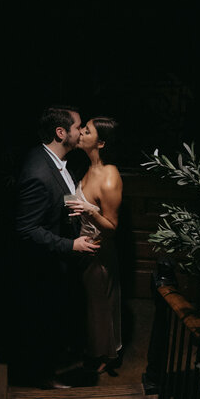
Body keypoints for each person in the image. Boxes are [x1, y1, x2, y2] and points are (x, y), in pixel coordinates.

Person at [13, 105, 100, 388]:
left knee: (54, 320)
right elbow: (26, 229)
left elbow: (55, 200)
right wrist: (69, 244)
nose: (80, 132)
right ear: (61, 133)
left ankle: (52, 365)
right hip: (42, 267)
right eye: (77, 127)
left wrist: (73, 210)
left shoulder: (54, 161)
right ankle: (43, 379)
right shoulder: (38, 172)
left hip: (57, 263)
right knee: (42, 322)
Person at [65, 116, 123, 375]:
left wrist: (89, 211)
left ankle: (107, 355)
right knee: (89, 305)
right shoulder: (87, 167)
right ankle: (92, 348)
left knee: (101, 306)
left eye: (86, 131)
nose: (80, 134)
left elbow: (112, 227)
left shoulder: (110, 177)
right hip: (82, 247)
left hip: (99, 250)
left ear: (100, 143)